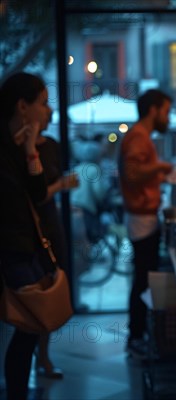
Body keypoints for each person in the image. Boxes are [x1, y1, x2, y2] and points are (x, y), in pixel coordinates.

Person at [0, 72, 51, 400]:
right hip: (10, 251)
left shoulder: (20, 145)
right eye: (43, 104)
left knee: (31, 326)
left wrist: (32, 147)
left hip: (24, 248)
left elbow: (39, 193)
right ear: (22, 105)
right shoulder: (2, 149)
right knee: (32, 322)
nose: (47, 112)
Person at [118, 89, 173, 359]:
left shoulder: (141, 136)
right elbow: (132, 173)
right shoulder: (139, 136)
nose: (168, 117)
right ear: (153, 110)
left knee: (143, 277)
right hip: (141, 217)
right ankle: (136, 336)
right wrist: (160, 167)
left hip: (142, 216)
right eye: (166, 111)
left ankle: (138, 334)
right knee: (142, 279)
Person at [35, 134, 79, 380]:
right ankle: (38, 356)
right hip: (30, 230)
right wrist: (60, 186)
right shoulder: (16, 147)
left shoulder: (51, 145)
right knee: (36, 293)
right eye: (42, 104)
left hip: (52, 223)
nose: (49, 110)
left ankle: (42, 355)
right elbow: (37, 194)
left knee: (51, 288)